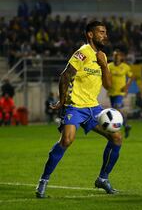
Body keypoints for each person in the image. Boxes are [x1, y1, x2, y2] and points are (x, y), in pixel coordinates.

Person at [35, 21, 123, 198]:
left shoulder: (103, 56)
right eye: (101, 32)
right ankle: (43, 181)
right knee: (67, 140)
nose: (105, 35)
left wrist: (104, 65)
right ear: (90, 34)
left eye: (106, 32)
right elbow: (65, 75)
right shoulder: (82, 53)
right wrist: (62, 101)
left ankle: (103, 179)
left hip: (93, 107)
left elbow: (108, 85)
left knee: (117, 138)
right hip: (75, 106)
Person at [107, 48, 135, 138]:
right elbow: (105, 76)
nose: (116, 57)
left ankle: (125, 125)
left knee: (117, 107)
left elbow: (131, 77)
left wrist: (127, 87)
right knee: (115, 111)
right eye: (114, 55)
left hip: (120, 92)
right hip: (112, 91)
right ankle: (120, 127)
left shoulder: (125, 67)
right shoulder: (109, 66)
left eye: (117, 56)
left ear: (121, 57)